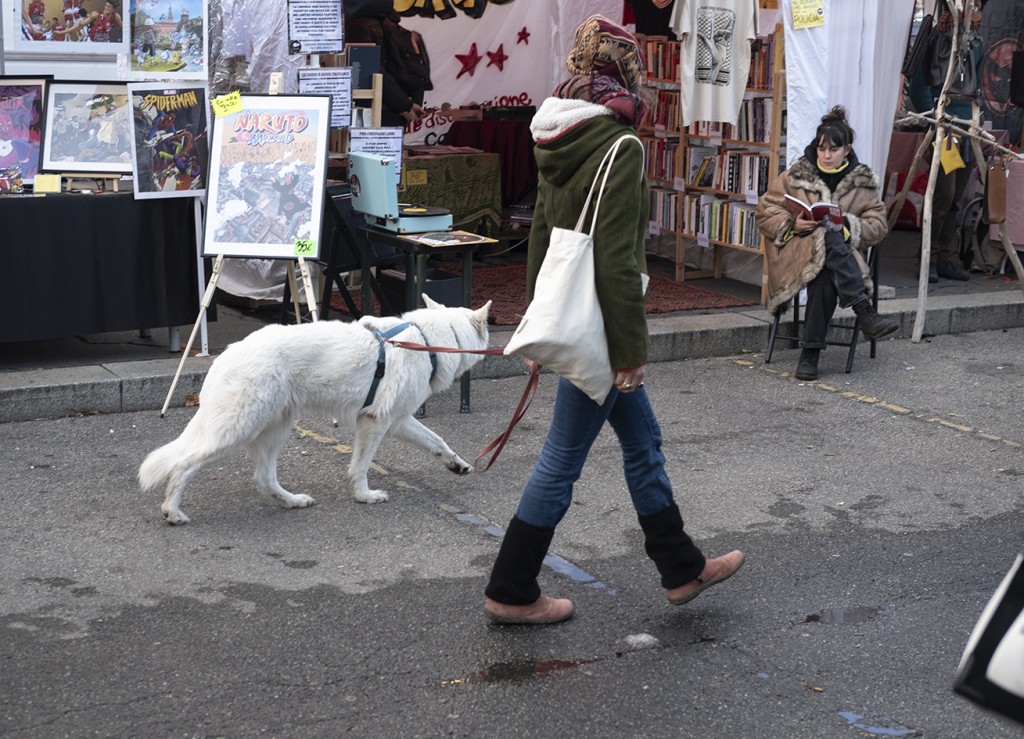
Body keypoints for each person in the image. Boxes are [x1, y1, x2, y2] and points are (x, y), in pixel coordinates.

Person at [482, 15, 745, 626]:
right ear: (625, 69)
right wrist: (630, 350)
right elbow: (619, 262)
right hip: (601, 327)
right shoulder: (620, 143)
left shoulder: (554, 131)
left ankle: (681, 567)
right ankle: (511, 587)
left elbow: (542, 238)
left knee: (643, 442)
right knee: (562, 457)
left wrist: (533, 323)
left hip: (574, 319)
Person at [755, 106, 898, 382]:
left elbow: (879, 225)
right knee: (824, 237)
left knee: (827, 257)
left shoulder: (862, 182)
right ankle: (863, 310)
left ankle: (810, 356)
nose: (827, 155)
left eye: (834, 149)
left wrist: (848, 227)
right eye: (822, 149)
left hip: (834, 262)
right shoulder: (796, 175)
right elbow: (764, 211)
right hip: (797, 255)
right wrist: (792, 224)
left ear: (847, 149)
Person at [343, 0, 431, 128]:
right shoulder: (396, 27)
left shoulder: (359, 26)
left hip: (373, 110)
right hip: (396, 109)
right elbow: (418, 69)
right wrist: (410, 104)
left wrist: (405, 106)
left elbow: (370, 71)